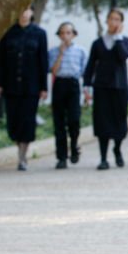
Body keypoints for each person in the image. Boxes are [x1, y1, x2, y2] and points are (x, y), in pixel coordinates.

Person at [0, 6, 48, 171]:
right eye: (20, 10)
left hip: (31, 87)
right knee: (14, 122)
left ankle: (22, 157)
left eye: (26, 10)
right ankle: (19, 147)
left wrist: (44, 87)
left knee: (27, 121)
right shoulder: (8, 33)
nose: (23, 14)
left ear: (31, 13)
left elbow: (43, 62)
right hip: (11, 85)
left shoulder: (39, 34)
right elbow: (0, 60)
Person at [84, 8, 128, 170]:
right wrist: (87, 85)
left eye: (117, 19)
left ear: (121, 23)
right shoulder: (97, 43)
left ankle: (117, 149)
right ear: (107, 21)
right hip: (102, 87)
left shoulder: (125, 41)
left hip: (119, 87)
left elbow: (123, 56)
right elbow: (90, 65)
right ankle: (103, 158)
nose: (114, 22)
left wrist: (118, 37)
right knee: (102, 123)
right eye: (111, 19)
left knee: (119, 121)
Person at [48, 22, 87, 169]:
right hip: (59, 84)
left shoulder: (80, 51)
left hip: (73, 84)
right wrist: (61, 54)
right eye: (62, 33)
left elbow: (84, 71)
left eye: (68, 33)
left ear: (73, 34)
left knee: (74, 119)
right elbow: (53, 70)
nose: (65, 36)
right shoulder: (53, 52)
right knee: (59, 122)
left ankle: (74, 145)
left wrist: (86, 91)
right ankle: (61, 156)